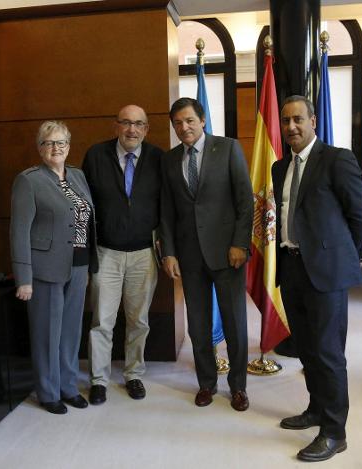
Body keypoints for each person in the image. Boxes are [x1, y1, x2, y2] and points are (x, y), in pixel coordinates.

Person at [272, 95, 362, 462]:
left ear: (313, 120)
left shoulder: (337, 159)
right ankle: (315, 409)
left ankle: (334, 431)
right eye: (285, 121)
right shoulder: (280, 168)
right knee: (307, 348)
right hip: (292, 267)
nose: (291, 127)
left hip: (325, 272)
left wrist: (336, 254)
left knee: (329, 353)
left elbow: (360, 217)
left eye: (298, 119)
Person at [159, 97, 253, 411]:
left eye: (188, 120)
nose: (183, 127)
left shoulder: (227, 149)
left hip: (229, 254)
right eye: (177, 123)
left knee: (235, 324)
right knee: (198, 325)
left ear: (202, 120)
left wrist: (240, 243)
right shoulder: (170, 160)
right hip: (189, 257)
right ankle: (207, 384)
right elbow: (167, 212)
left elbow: (245, 201)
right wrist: (169, 252)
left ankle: (238, 386)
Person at [10, 121, 97, 415]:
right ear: (39, 148)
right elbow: (19, 231)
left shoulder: (78, 175)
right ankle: (48, 392)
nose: (55, 148)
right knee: (47, 332)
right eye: (48, 143)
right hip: (45, 268)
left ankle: (69, 387)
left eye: (61, 143)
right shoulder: (28, 180)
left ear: (69, 147)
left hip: (79, 265)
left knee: (71, 332)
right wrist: (24, 278)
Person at [83, 105, 163, 404]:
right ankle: (99, 380)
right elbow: (83, 204)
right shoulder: (95, 155)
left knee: (138, 320)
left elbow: (166, 205)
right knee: (102, 321)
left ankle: (133, 374)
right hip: (106, 253)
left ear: (146, 129)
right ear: (115, 126)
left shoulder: (157, 158)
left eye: (139, 124)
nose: (132, 130)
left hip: (144, 254)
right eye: (126, 123)